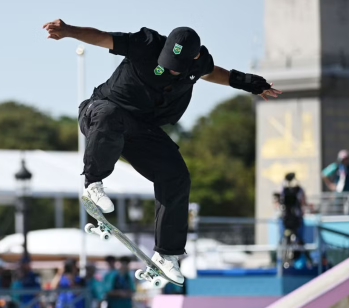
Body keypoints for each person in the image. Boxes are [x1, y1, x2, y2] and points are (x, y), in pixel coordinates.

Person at [43, 19, 282, 283]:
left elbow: (212, 73)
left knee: (176, 175)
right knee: (110, 114)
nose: (171, 71)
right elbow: (102, 38)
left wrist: (247, 82)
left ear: (195, 57)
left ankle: (166, 254)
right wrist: (68, 31)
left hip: (142, 128)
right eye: (168, 64)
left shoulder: (200, 62)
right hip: (101, 111)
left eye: (178, 68)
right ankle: (93, 184)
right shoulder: (146, 44)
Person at [278, 173, 312, 266]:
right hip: (295, 220)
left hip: (287, 220)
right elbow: (303, 202)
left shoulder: (284, 190)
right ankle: (309, 261)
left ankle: (285, 262)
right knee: (298, 240)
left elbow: (280, 202)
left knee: (288, 239)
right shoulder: (298, 190)